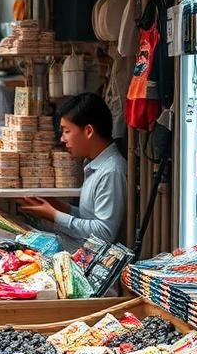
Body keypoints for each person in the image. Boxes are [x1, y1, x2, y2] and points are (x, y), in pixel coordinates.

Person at [19, 93, 127, 243]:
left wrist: (55, 216)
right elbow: (89, 218)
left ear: (88, 131)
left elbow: (104, 232)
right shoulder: (92, 164)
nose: (63, 139)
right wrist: (60, 207)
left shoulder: (111, 171)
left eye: (67, 131)